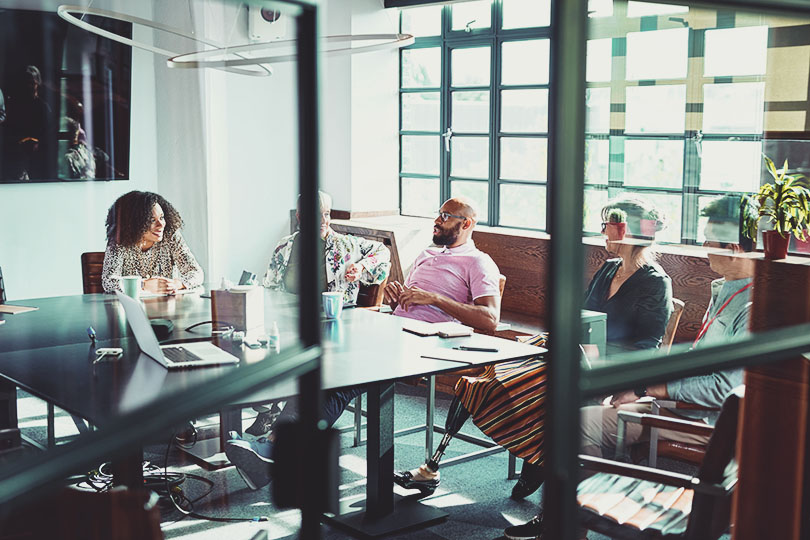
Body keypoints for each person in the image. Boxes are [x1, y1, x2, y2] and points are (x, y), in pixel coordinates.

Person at [504, 195, 752, 540]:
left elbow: (723, 388)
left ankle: (566, 519)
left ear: (737, 247)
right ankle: (568, 511)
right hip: (670, 401)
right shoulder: (725, 290)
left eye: (711, 239)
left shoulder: (751, 306)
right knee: (546, 393)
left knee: (574, 420)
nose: (706, 247)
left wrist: (643, 388)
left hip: (697, 417)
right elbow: (586, 318)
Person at [394, 198, 673, 502]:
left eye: (607, 224)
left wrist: (633, 387)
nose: (602, 229)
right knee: (491, 374)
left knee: (530, 380)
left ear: (626, 230)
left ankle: (538, 460)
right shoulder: (608, 269)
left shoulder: (656, 282)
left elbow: (649, 345)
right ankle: (436, 465)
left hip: (606, 370)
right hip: (578, 357)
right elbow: (582, 317)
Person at [226, 196, 501, 490]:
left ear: (467, 223)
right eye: (439, 214)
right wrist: (401, 296)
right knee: (323, 370)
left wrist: (433, 299)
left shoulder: (479, 262)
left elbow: (490, 318)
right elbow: (413, 299)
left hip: (430, 343)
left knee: (341, 375)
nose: (437, 221)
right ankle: (274, 449)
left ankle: (275, 451)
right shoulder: (426, 255)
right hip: (394, 330)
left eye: (446, 216)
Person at [262, 190, 391, 305]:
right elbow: (270, 287)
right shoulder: (284, 247)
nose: (323, 221)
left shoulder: (346, 245)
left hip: (330, 319)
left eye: (326, 214)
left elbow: (382, 251)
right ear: (300, 217)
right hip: (289, 320)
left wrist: (361, 267)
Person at [101, 191, 203, 294]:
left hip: (168, 306)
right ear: (134, 223)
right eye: (152, 220)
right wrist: (142, 285)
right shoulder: (119, 241)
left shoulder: (171, 236)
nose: (161, 225)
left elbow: (196, 273)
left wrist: (178, 284)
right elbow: (108, 282)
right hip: (132, 306)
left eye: (162, 218)